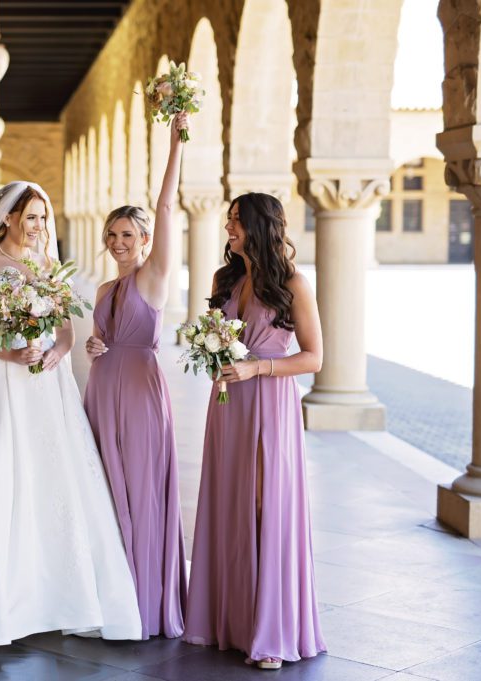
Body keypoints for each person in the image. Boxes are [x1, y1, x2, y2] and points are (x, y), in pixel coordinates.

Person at [0, 180, 142, 648]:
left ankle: (51, 593)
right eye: (31, 217)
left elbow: (66, 332)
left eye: (42, 218)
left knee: (51, 479)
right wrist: (6, 352)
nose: (38, 227)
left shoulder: (47, 264)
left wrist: (58, 350)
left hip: (44, 383)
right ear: (8, 218)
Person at [182, 193, 326, 669]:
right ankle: (229, 621)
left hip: (269, 405)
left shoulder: (293, 284)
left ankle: (270, 631)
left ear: (260, 227)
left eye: (237, 221)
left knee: (265, 504)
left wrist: (258, 369)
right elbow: (216, 336)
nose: (228, 228)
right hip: (226, 405)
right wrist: (214, 359)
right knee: (229, 503)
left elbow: (313, 358)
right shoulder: (226, 279)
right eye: (228, 220)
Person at [83, 113, 188, 639]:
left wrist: (175, 143)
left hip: (141, 393)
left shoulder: (153, 276)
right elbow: (100, 339)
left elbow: (167, 206)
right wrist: (94, 343)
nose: (118, 241)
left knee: (142, 492)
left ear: (145, 239)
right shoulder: (103, 290)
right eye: (112, 234)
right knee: (103, 490)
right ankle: (107, 597)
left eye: (128, 234)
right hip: (101, 391)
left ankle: (145, 604)